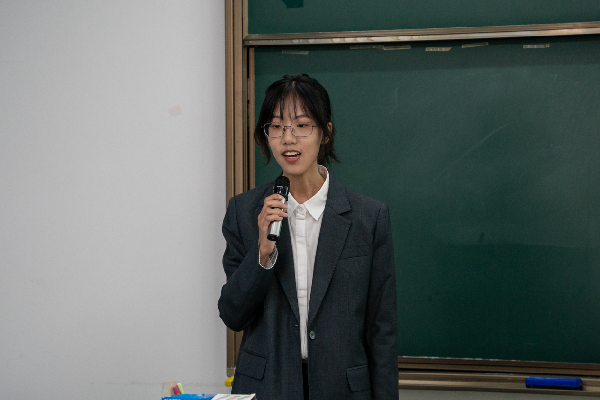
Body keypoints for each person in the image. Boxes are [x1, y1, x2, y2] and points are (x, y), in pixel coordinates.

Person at [218, 74, 397, 400]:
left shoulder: (368, 217)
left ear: (325, 133)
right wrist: (263, 253)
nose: (288, 139)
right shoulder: (244, 212)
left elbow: (381, 329)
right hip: (267, 388)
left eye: (301, 126)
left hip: (342, 389)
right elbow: (233, 315)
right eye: (276, 127)